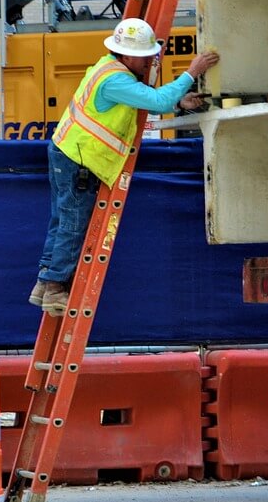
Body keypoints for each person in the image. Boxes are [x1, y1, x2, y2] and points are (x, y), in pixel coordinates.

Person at [31, 17, 220, 316]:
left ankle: (45, 282)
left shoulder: (109, 68)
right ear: (128, 55)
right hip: (79, 157)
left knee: (62, 220)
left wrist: (179, 103)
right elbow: (156, 100)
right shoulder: (116, 79)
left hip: (69, 152)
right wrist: (191, 72)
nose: (148, 64)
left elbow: (141, 102)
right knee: (72, 223)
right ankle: (54, 288)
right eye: (145, 58)